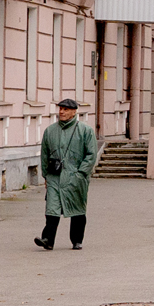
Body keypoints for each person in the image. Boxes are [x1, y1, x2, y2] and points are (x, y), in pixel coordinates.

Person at [36, 98, 97, 252]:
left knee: (77, 208)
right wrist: (46, 176)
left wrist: (81, 173)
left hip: (76, 176)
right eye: (60, 109)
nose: (61, 112)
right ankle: (48, 240)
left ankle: (77, 240)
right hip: (54, 177)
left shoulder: (85, 130)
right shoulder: (50, 131)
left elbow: (91, 155)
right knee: (52, 208)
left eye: (65, 109)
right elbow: (44, 155)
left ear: (74, 112)